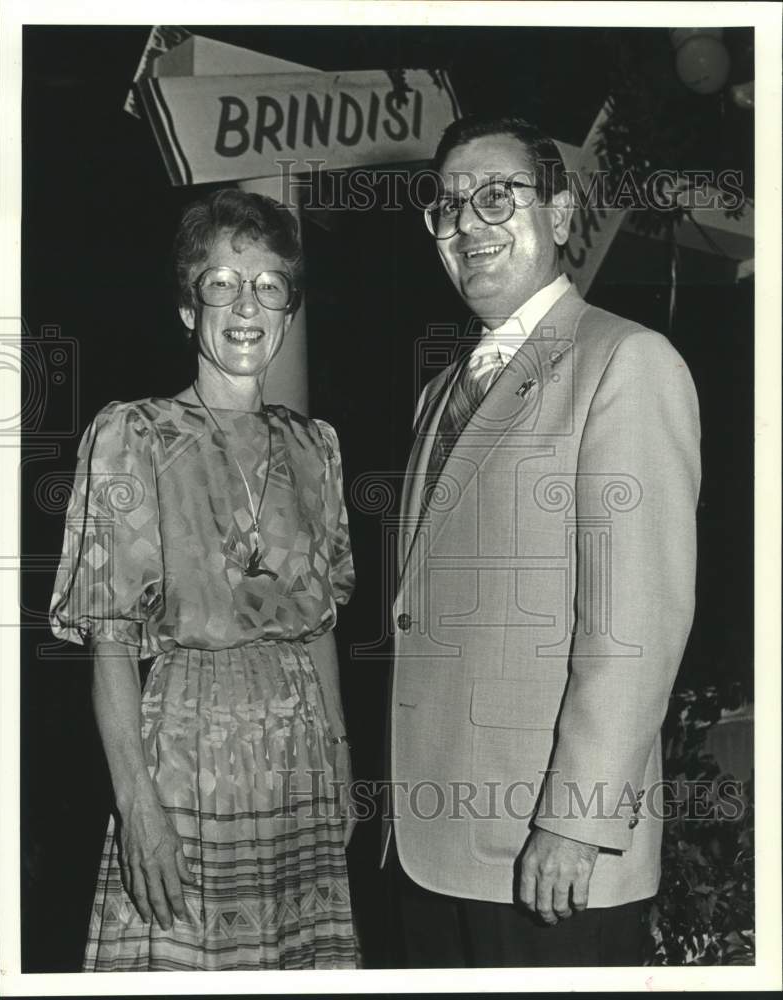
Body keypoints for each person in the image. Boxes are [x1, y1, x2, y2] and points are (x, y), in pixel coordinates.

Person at [385, 114, 701, 967]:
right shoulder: (442, 393)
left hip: (550, 859)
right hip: (435, 852)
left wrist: (575, 817)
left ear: (560, 216)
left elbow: (634, 627)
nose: (468, 223)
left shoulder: (625, 362)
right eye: (448, 207)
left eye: (499, 196)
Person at [50, 188, 359, 970]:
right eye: (222, 283)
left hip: (299, 755)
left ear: (289, 312)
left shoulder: (314, 446)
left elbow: (316, 621)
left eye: (268, 286)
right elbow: (112, 643)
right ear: (190, 309)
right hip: (187, 746)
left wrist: (340, 752)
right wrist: (137, 806)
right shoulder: (135, 435)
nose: (246, 304)